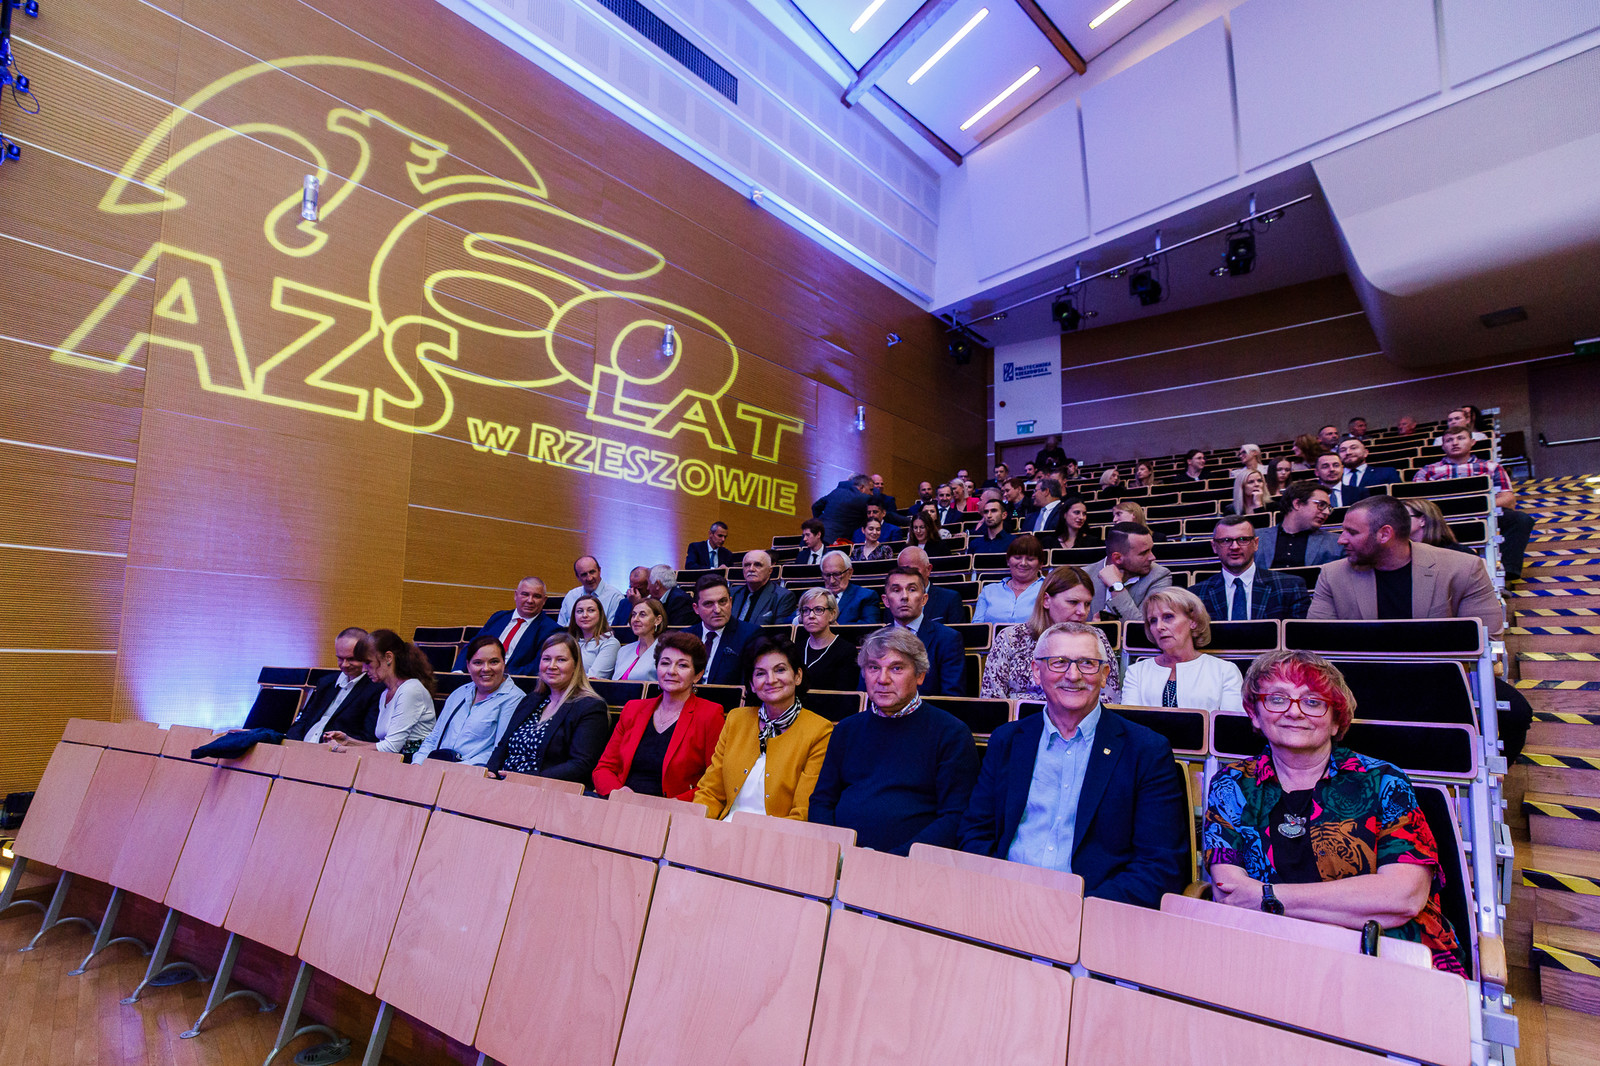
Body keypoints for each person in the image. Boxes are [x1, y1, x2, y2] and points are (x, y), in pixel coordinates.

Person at [1203, 651, 1466, 974]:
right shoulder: (1230, 784)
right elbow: (1230, 894)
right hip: (1270, 955)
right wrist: (1351, 905)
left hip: (1389, 956)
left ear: (1337, 720)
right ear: (1255, 715)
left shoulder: (1384, 781)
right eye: (1277, 699)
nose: (1294, 711)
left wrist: (1267, 896)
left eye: (1313, 702)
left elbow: (1404, 897)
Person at [960, 622, 1189, 903]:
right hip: (1002, 898)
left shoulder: (1146, 750)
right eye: (1059, 662)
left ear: (1104, 675)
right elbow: (975, 831)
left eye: (1087, 664)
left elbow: (1159, 865)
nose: (1073, 675)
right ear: (1036, 671)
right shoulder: (1006, 740)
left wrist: (1079, 909)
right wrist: (994, 889)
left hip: (1094, 910)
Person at [809, 627, 979, 854]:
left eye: (896, 668)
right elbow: (822, 801)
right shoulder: (846, 730)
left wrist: (894, 860)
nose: (882, 679)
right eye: (873, 668)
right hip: (839, 857)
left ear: (920, 675)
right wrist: (834, 850)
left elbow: (954, 817)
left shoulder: (951, 733)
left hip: (911, 864)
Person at [1309, 495, 1504, 638]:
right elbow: (1318, 643)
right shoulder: (1332, 575)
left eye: (1352, 532)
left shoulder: (1463, 568)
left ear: (1385, 534)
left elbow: (1486, 642)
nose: (1341, 540)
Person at [693, 636, 833, 820]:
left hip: (778, 834)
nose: (771, 680)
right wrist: (696, 825)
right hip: (724, 828)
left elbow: (802, 812)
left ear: (798, 676)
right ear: (752, 684)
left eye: (780, 670)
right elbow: (710, 792)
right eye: (760, 673)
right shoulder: (736, 719)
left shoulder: (819, 731)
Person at [593, 632, 724, 799]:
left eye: (682, 665)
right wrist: (617, 793)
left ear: (697, 675)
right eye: (665, 663)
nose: (671, 671)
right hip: (622, 803)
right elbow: (604, 768)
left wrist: (670, 805)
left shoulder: (710, 714)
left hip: (674, 809)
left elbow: (713, 782)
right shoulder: (633, 709)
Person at [980, 567, 1121, 703]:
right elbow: (993, 700)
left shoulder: (1097, 638)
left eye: (1087, 604)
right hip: (1019, 718)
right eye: (1073, 602)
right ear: (1046, 600)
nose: (1082, 612)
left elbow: (1111, 698)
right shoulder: (1011, 637)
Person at [485, 633, 610, 784]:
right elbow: (502, 746)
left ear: (576, 665)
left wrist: (528, 779)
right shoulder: (531, 700)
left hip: (546, 789)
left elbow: (581, 765)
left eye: (561, 660)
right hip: (504, 784)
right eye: (546, 659)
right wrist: (490, 772)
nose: (551, 666)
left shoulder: (590, 707)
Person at [1415, 425, 1535, 579]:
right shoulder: (1427, 471)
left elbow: (1508, 499)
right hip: (1443, 520)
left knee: (1520, 519)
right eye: (1449, 440)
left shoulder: (1491, 467)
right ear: (1443, 446)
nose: (1455, 443)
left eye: (1461, 438)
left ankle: (1506, 572)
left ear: (1472, 442)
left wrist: (1476, 505)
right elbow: (1417, 503)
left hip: (1483, 516)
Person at [1122, 588, 1244, 711]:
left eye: (1168, 617)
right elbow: (1128, 720)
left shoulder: (1225, 671)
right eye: (1153, 621)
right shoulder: (1136, 672)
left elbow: (1230, 722)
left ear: (1193, 621)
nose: (1159, 627)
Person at [410, 635, 524, 765]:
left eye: (494, 662)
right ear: (468, 666)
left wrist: (455, 770)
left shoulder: (514, 699)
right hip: (438, 767)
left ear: (504, 663)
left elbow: (499, 752)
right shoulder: (459, 693)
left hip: (473, 772)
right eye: (478, 662)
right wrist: (418, 763)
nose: (486, 668)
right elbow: (434, 737)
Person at [325, 629, 436, 755]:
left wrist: (343, 750)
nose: (364, 669)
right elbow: (383, 745)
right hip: (394, 760)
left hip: (413, 762)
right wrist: (348, 741)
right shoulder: (385, 693)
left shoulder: (411, 689)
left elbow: (391, 748)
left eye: (368, 663)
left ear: (388, 657)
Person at [1193, 515, 1312, 621]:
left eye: (1243, 539)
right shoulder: (1196, 595)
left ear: (1256, 543)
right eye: (1226, 541)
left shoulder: (1290, 587)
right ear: (1214, 546)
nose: (1234, 547)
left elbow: (1299, 637)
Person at [285, 628, 383, 743]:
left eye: (351, 659)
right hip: (302, 746)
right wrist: (291, 743)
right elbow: (304, 720)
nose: (345, 665)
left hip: (335, 750)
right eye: (340, 658)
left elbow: (368, 737)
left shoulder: (376, 689)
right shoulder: (325, 682)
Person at [880, 567, 965, 696]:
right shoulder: (875, 640)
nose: (904, 596)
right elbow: (865, 693)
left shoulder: (948, 639)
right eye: (896, 590)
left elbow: (951, 698)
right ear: (886, 600)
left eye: (912, 589)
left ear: (924, 599)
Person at [457, 577, 562, 675]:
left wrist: (500, 675)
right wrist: (458, 671)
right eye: (525, 594)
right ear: (515, 595)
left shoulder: (551, 629)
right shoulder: (498, 617)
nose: (530, 600)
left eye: (536, 596)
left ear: (544, 600)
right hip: (479, 675)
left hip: (512, 681)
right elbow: (473, 646)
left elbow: (537, 666)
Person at [1089, 522, 1173, 622]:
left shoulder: (1159, 576)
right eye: (1144, 553)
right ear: (1118, 558)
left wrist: (1116, 586)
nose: (1152, 557)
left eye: (1151, 550)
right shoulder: (1085, 575)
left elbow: (1142, 626)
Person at [687, 573, 759, 686]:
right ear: (696, 608)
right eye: (708, 604)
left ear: (730, 602)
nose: (717, 610)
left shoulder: (751, 635)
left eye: (722, 602)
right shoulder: (685, 637)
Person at [1256, 481, 1341, 569]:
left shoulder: (1336, 543)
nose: (1327, 512)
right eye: (1321, 505)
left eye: (1329, 508)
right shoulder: (1257, 537)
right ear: (1297, 504)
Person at [795, 587, 860, 692]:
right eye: (806, 610)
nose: (811, 616)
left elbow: (844, 694)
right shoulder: (795, 648)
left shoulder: (846, 651)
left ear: (832, 614)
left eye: (818, 610)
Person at [973, 535, 1047, 624]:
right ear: (1008, 561)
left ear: (1041, 564)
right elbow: (977, 626)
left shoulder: (1049, 588)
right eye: (1017, 558)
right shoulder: (988, 591)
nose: (1023, 563)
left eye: (1030, 559)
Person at [897, 547, 965, 625]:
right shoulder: (893, 602)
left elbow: (955, 632)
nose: (909, 575)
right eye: (903, 570)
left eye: (914, 570)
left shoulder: (950, 599)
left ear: (928, 569)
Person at [731, 549, 798, 625]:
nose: (751, 569)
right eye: (747, 565)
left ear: (770, 570)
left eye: (758, 565)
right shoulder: (732, 593)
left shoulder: (783, 597)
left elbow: (779, 631)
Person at [816, 550, 884, 625]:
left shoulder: (866, 596)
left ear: (849, 573)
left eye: (837, 574)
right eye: (827, 575)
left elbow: (870, 626)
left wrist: (838, 628)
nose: (832, 581)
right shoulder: (814, 597)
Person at [556, 556, 625, 626]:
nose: (589, 578)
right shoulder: (571, 596)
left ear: (599, 571)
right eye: (584, 575)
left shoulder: (615, 597)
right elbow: (560, 627)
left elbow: (612, 629)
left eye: (592, 572)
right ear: (577, 577)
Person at [611, 597, 668, 682]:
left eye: (642, 615)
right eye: (633, 615)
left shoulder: (665, 651)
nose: (635, 619)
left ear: (657, 620)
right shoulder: (624, 650)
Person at [567, 592, 621, 678]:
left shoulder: (610, 643)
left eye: (591, 610)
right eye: (580, 611)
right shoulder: (568, 642)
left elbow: (594, 677)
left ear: (600, 614)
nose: (585, 615)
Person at [813, 474, 873, 544]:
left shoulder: (836, 491)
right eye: (871, 490)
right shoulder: (863, 499)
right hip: (836, 542)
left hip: (818, 535)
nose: (872, 494)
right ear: (862, 487)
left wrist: (821, 521)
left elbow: (815, 506)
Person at [1402, 498, 1474, 555]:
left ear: (1423, 520)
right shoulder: (1403, 554)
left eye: (1403, 516)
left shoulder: (1460, 553)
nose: (1398, 521)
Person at [1026, 476, 1067, 542]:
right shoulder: (1030, 517)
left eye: (1035, 491)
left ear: (1046, 491)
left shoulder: (1065, 512)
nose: (1033, 495)